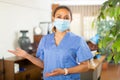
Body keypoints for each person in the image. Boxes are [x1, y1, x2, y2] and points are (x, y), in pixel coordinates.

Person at [8, 6, 93, 80]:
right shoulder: (45, 39)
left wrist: (65, 71)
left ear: (70, 20)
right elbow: (44, 64)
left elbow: (86, 66)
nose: (62, 20)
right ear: (53, 18)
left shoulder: (78, 40)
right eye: (59, 17)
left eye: (66, 18)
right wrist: (27, 55)